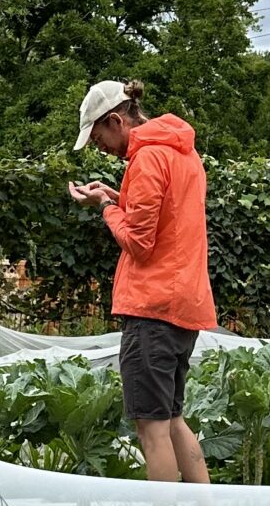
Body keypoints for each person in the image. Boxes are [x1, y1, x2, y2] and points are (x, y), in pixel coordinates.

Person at [67, 78, 214, 484]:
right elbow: (164, 221)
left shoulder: (147, 160)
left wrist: (105, 209)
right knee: (172, 418)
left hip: (152, 308)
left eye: (99, 139)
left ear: (116, 120)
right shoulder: (183, 153)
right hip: (184, 304)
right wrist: (116, 197)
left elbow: (139, 242)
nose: (101, 148)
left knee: (151, 431)